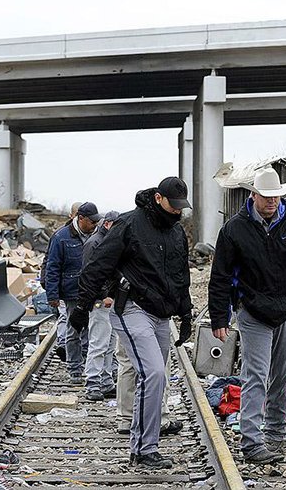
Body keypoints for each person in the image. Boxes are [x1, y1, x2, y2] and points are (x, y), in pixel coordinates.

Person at [69, 177, 193, 470]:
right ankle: (143, 449)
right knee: (153, 374)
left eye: (181, 207)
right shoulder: (129, 224)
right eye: (174, 206)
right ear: (159, 198)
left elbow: (181, 277)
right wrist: (83, 307)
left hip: (161, 315)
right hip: (132, 308)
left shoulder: (177, 233)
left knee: (156, 377)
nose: (177, 211)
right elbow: (98, 265)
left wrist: (186, 314)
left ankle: (144, 446)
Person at [207, 167, 286, 465]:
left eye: (276, 196)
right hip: (253, 310)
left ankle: (275, 433)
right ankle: (251, 442)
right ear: (254, 196)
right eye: (267, 196)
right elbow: (220, 276)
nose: (273, 201)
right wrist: (219, 318)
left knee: (283, 376)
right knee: (255, 376)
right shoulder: (234, 229)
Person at [46, 202, 100, 383]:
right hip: (71, 292)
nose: (94, 225)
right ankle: (74, 368)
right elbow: (52, 267)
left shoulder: (97, 235)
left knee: (90, 329)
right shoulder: (61, 237)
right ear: (80, 218)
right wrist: (52, 295)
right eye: (91, 222)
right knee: (73, 329)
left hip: (92, 290)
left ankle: (85, 361)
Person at [82, 210, 119, 401]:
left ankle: (105, 382)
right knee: (99, 343)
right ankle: (92, 383)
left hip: (108, 301)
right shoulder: (94, 243)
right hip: (99, 302)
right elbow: (90, 274)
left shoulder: (106, 241)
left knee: (109, 344)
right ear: (107, 224)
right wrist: (103, 295)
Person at [44, 201, 81, 361]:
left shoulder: (89, 233)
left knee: (70, 319)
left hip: (77, 288)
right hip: (66, 287)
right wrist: (51, 292)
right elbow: (50, 264)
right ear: (71, 215)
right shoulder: (60, 236)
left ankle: (70, 349)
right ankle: (63, 345)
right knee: (65, 316)